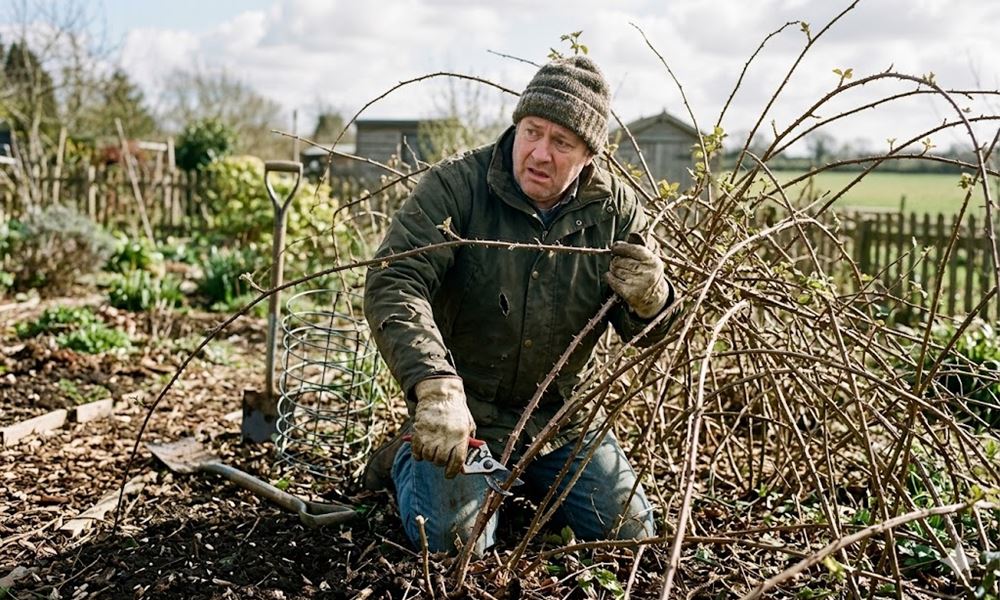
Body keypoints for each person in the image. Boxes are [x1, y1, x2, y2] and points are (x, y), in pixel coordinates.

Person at [362, 55, 681, 555]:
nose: (540, 153)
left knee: (629, 535)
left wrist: (654, 301)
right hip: (466, 418)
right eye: (532, 132)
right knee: (455, 543)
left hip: (560, 421)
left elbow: (646, 332)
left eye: (562, 142)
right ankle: (407, 459)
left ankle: (521, 480)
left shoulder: (615, 212)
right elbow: (394, 280)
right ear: (517, 125)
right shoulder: (457, 187)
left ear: (589, 156)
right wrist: (436, 386)